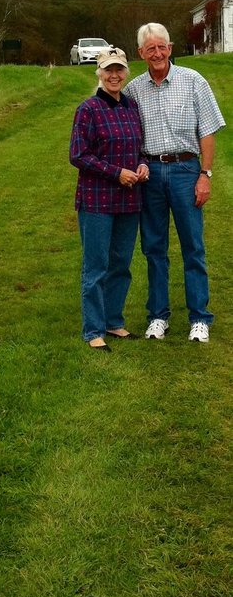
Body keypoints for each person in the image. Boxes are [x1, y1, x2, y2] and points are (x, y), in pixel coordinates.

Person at [125, 23, 225, 343]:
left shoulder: (193, 81)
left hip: (185, 171)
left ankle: (199, 317)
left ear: (170, 48)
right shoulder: (134, 90)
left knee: (192, 247)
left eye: (162, 47)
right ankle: (158, 316)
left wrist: (205, 176)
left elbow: (207, 131)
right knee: (154, 248)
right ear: (140, 53)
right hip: (150, 174)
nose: (157, 53)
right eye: (150, 48)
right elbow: (130, 139)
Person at [69, 47, 149, 351]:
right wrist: (116, 173)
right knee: (96, 266)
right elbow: (78, 155)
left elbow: (140, 146)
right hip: (97, 200)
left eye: (119, 70)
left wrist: (142, 164)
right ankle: (94, 329)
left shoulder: (131, 107)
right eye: (108, 70)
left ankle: (114, 321)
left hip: (129, 201)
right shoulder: (88, 109)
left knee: (121, 264)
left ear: (126, 72)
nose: (114, 75)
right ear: (99, 73)